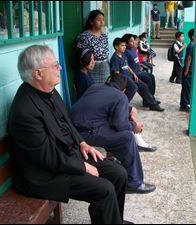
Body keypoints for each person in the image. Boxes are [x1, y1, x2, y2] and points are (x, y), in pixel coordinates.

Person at [8, 45, 131, 224]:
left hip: (68, 155)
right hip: (45, 175)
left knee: (119, 173)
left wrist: (82, 143)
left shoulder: (49, 92)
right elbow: (47, 158)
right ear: (38, 74)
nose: (60, 68)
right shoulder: (24, 112)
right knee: (104, 189)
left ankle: (114, 220)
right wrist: (82, 167)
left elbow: (67, 122)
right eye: (55, 65)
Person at [70, 73, 157, 194]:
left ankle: (112, 159)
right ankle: (134, 183)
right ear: (124, 90)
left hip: (71, 130)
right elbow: (120, 125)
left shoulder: (95, 87)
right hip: (83, 135)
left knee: (111, 126)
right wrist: (134, 126)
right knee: (127, 137)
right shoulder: (120, 96)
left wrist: (130, 111)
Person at [110, 37, 164, 112]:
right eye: (122, 45)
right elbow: (116, 73)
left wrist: (133, 74)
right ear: (116, 47)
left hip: (130, 76)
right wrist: (123, 84)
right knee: (135, 87)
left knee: (144, 85)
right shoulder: (114, 58)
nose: (124, 47)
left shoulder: (123, 55)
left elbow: (127, 66)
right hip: (124, 79)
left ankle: (152, 103)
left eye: (125, 45)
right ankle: (122, 104)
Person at [77, 10, 109, 84]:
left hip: (105, 66)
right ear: (91, 22)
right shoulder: (85, 36)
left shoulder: (104, 35)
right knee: (94, 91)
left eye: (103, 20)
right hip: (92, 67)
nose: (102, 22)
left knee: (105, 89)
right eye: (98, 20)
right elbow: (81, 54)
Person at [180, 28, 194, 112]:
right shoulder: (191, 46)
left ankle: (184, 103)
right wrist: (186, 71)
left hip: (189, 70)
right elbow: (189, 59)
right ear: (192, 37)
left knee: (187, 88)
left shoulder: (192, 45)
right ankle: (184, 105)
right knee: (186, 88)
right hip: (188, 71)